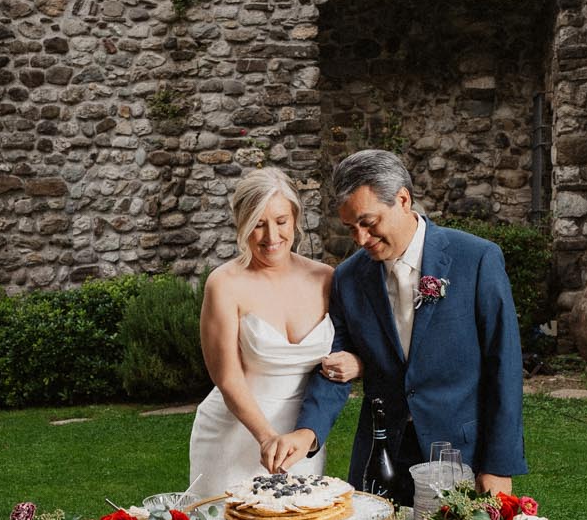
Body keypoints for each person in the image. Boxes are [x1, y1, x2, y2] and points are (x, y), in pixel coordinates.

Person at [267, 149, 526, 495]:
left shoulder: (476, 260)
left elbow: (504, 368)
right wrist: (308, 432)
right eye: (350, 228)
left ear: (403, 199)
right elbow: (334, 365)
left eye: (368, 222)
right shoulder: (348, 278)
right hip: (381, 455)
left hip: (460, 453)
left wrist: (497, 465)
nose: (360, 239)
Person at [187, 167, 361, 497]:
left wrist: (356, 362)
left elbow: (354, 347)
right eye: (258, 223)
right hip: (235, 433)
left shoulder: (327, 279)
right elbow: (227, 377)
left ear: (295, 218)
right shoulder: (224, 284)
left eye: (280, 221)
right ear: (242, 225)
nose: (271, 236)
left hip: (301, 437)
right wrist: (265, 436)